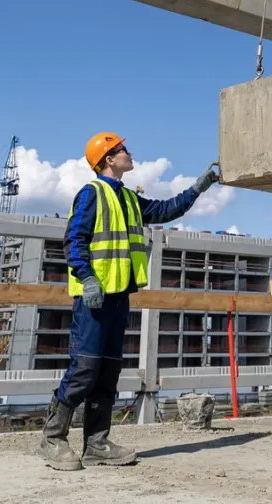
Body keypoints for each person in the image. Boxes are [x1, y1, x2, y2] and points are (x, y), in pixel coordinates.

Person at [39, 133, 220, 470]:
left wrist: (200, 186)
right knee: (84, 369)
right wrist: (87, 276)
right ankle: (53, 438)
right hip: (94, 298)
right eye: (123, 149)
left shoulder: (127, 198)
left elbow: (166, 209)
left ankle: (96, 443)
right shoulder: (92, 193)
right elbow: (74, 238)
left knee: (107, 373)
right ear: (108, 158)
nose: (129, 152)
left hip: (118, 297)